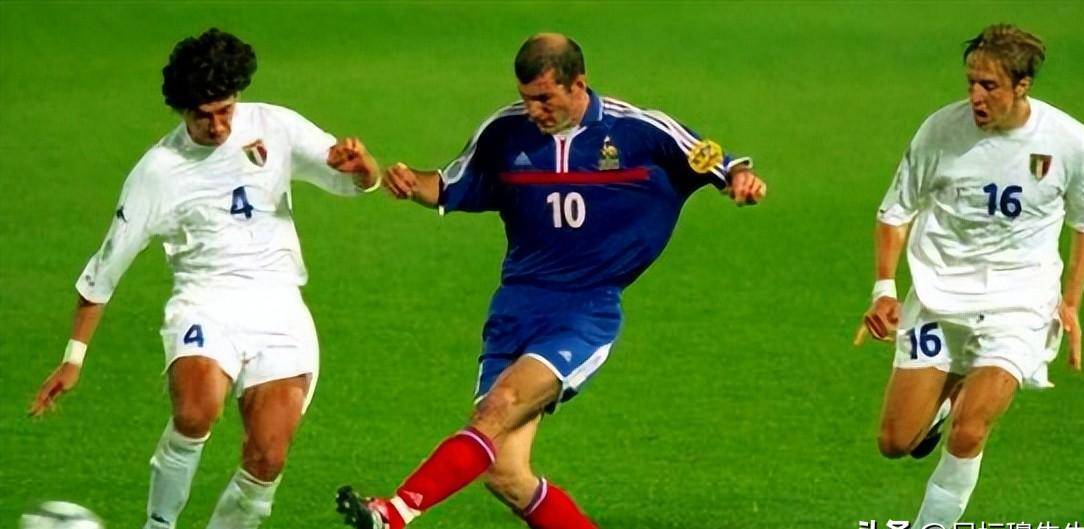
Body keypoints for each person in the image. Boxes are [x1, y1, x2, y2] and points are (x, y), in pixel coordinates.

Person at [335, 33, 766, 529]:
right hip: (514, 307)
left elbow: (716, 161)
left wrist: (740, 179)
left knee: (500, 407)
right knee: (504, 473)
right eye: (526, 98)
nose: (533, 110)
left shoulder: (638, 131)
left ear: (577, 84)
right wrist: (411, 182)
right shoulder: (504, 133)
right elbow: (448, 185)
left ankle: (393, 512)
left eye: (544, 98)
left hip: (584, 310)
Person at [28, 28, 380, 529]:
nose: (217, 126)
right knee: (195, 413)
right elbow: (105, 268)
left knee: (268, 457)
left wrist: (364, 169)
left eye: (225, 111)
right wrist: (73, 358)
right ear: (181, 111)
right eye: (203, 116)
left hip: (279, 306)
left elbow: (352, 180)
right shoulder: (158, 172)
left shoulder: (274, 125)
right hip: (205, 301)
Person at [855, 24, 1084, 527]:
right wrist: (884, 289)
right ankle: (944, 399)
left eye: (989, 85)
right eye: (971, 82)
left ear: (1022, 86)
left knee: (971, 429)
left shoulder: (1069, 141)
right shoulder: (939, 132)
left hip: (1020, 302)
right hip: (939, 297)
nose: (975, 96)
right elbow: (895, 212)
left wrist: (1071, 302)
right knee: (896, 441)